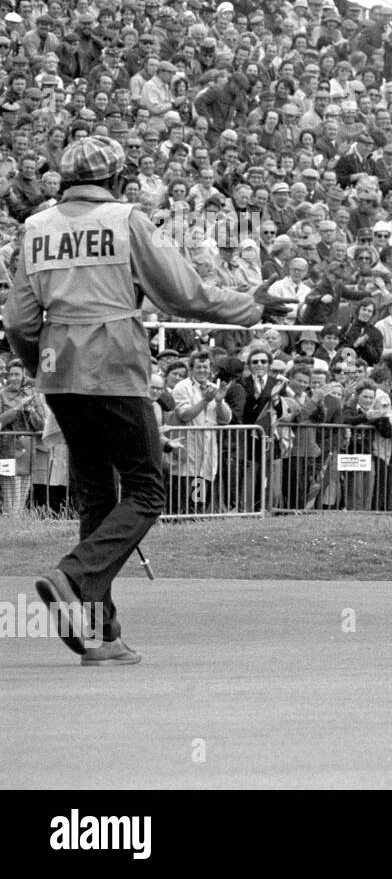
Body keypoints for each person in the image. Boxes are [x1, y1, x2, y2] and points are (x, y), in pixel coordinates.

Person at [2, 137, 295, 666]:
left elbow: (19, 323)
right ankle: (74, 574)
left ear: (63, 181)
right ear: (116, 181)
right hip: (115, 368)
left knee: (95, 492)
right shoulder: (127, 219)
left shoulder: (35, 228)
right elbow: (183, 295)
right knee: (145, 489)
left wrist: (39, 365)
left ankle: (102, 631)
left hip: (58, 374)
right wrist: (250, 308)